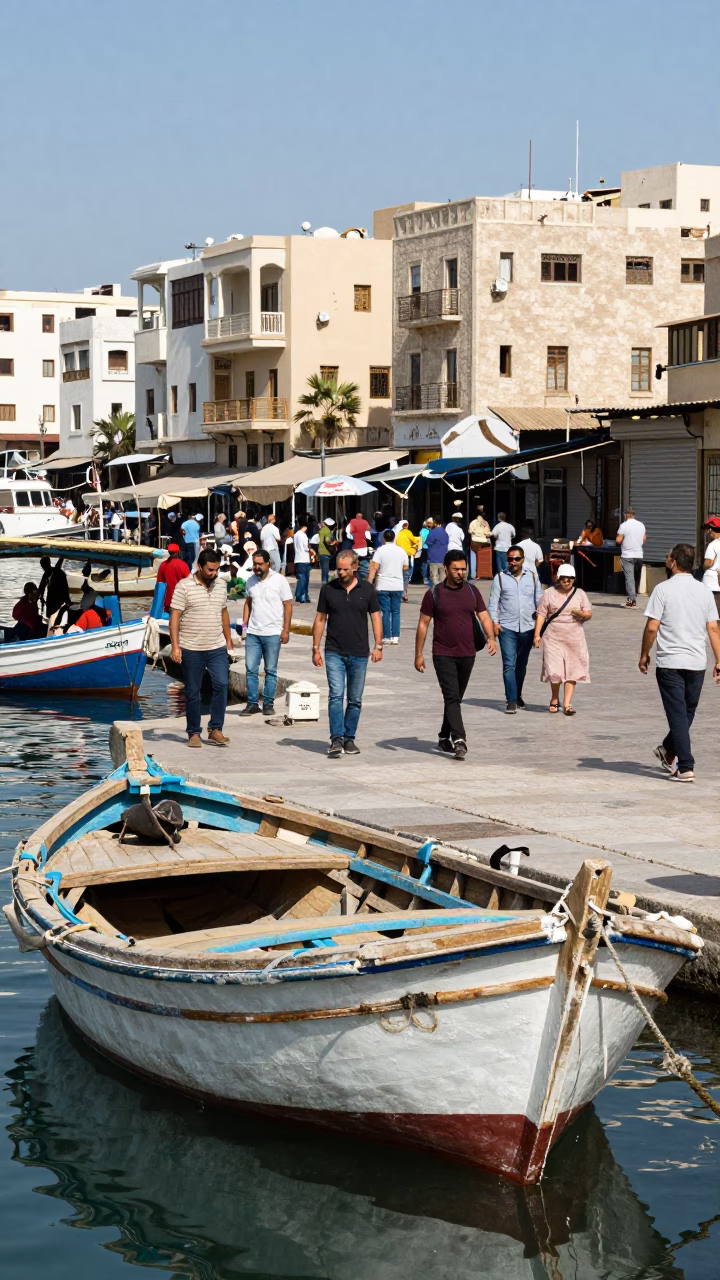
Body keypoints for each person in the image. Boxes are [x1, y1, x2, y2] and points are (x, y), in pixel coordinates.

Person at [640, 542, 720, 783]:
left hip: (670, 663)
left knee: (678, 715)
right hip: (697, 662)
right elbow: (714, 628)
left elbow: (652, 627)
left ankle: (685, 766)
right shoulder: (704, 591)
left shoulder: (662, 589)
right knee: (685, 713)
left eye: (667, 557)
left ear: (674, 562)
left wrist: (644, 654)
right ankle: (667, 750)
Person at [415, 549, 496, 759]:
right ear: (446, 569)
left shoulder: (472, 591)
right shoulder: (434, 593)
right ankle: (459, 739)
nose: (461, 572)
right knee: (452, 697)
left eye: (463, 568)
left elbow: (484, 616)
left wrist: (491, 638)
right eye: (456, 569)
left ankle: (443, 736)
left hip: (468, 653)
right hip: (443, 653)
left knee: (455, 698)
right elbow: (423, 624)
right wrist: (418, 654)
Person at [312, 549, 383, 758]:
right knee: (335, 696)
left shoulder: (367, 590)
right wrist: (316, 648)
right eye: (337, 569)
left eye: (344, 569)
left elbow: (376, 617)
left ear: (354, 567)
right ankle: (336, 738)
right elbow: (320, 619)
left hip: (359, 653)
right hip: (334, 650)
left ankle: (349, 738)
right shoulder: (328, 589)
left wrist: (379, 646)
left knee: (355, 699)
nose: (340, 573)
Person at [169, 548, 235, 749]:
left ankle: (216, 728)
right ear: (199, 566)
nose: (213, 574)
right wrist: (175, 646)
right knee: (192, 691)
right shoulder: (184, 587)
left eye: (216, 570)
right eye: (210, 570)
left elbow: (224, 614)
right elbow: (174, 616)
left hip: (217, 646)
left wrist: (229, 642)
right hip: (191, 648)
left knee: (222, 685)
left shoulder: (222, 585)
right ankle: (194, 732)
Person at [488, 545, 543, 713]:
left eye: (516, 559)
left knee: (521, 665)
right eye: (510, 558)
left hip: (527, 627)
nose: (513, 562)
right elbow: (492, 604)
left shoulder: (533, 577)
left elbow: (539, 603)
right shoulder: (500, 578)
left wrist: (538, 631)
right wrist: (495, 623)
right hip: (507, 628)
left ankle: (518, 694)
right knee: (509, 665)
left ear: (523, 559)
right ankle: (510, 700)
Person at [533, 564, 592, 715]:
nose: (566, 582)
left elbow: (588, 614)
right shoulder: (549, 593)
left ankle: (567, 704)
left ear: (574, 579)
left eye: (569, 579)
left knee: (573, 669)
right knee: (554, 669)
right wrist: (537, 635)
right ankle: (554, 698)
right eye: (563, 579)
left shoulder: (580, 594)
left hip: (574, 637)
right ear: (558, 578)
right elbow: (541, 614)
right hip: (553, 636)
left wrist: (579, 613)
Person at [241, 548, 293, 717]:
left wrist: (286, 630)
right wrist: (244, 626)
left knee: (270, 669)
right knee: (250, 669)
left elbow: (288, 605)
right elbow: (248, 603)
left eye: (259, 564)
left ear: (268, 564)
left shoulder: (279, 581)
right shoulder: (250, 581)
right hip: (253, 632)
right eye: (254, 564)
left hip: (273, 633)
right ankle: (252, 703)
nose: (256, 567)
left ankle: (268, 703)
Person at [368, 529, 408, 646]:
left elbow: (374, 567)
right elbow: (406, 566)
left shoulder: (380, 551)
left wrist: (369, 583)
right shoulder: (401, 551)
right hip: (397, 585)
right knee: (396, 612)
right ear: (394, 538)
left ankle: (386, 637)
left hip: (383, 584)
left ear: (383, 538)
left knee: (385, 612)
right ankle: (395, 637)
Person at [616, 507, 646, 608]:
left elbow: (618, 541)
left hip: (627, 555)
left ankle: (632, 601)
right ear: (634, 514)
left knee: (629, 578)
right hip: (639, 555)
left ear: (626, 515)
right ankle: (633, 597)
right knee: (636, 577)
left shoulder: (623, 526)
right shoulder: (641, 525)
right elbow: (644, 540)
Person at [155, 542, 190, 610]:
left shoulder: (163, 565)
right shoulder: (183, 565)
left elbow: (159, 584)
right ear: (178, 552)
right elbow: (188, 583)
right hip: (180, 601)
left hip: (167, 602)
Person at [395, 521, 421, 598]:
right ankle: (404, 593)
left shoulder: (398, 533)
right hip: (406, 554)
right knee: (406, 574)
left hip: (398, 554)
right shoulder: (407, 532)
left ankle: (400, 592)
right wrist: (418, 540)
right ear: (407, 526)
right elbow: (413, 540)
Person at [346, 511, 372, 577]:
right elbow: (368, 535)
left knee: (354, 564)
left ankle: (355, 577)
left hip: (355, 547)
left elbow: (348, 532)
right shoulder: (365, 522)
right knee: (364, 564)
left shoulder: (352, 522)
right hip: (363, 547)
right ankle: (364, 577)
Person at [468, 505, 491, 580]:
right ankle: (482, 573)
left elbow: (470, 531)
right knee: (482, 559)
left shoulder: (473, 522)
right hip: (483, 543)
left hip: (474, 542)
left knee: (473, 558)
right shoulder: (486, 523)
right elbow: (487, 533)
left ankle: (473, 575)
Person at [701, 517, 720, 605]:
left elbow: (709, 562)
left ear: (711, 530)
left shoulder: (713, 545)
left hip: (711, 584)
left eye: (707, 530)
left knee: (712, 613)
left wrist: (703, 566)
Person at [426, 517, 449, 586]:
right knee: (443, 576)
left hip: (433, 557)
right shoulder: (445, 532)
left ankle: (437, 590)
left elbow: (428, 543)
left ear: (435, 522)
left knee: (434, 578)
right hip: (443, 557)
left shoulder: (432, 532)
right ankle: (443, 590)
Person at [293, 520, 311, 602]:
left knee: (300, 577)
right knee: (304, 578)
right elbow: (305, 547)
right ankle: (302, 596)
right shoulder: (303, 535)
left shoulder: (296, 534)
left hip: (297, 558)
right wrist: (311, 550)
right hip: (304, 558)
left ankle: (299, 595)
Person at [317, 517, 338, 584]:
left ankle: (324, 583)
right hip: (326, 552)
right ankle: (325, 585)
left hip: (321, 552)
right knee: (326, 570)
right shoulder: (327, 530)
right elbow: (327, 541)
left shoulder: (321, 530)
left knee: (323, 570)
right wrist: (335, 542)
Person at [419, 518, 434, 586]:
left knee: (424, 564)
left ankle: (424, 577)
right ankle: (429, 577)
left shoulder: (422, 531)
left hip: (423, 548)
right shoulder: (430, 531)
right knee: (429, 563)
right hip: (429, 548)